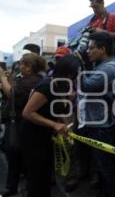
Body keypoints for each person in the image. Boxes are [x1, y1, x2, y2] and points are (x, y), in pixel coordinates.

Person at [21, 54, 81, 197]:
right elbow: (28, 112)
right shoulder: (47, 85)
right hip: (33, 135)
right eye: (77, 71)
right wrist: (54, 124)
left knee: (45, 173)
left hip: (45, 134)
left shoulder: (63, 85)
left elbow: (56, 110)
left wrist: (64, 123)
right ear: (68, 72)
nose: (79, 75)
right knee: (37, 175)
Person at [78, 32, 115, 197]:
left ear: (103, 49)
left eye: (91, 48)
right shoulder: (109, 66)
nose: (87, 52)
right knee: (105, 165)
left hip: (103, 125)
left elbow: (85, 86)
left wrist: (78, 66)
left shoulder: (109, 69)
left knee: (105, 167)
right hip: (105, 122)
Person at [0, 53, 46, 197]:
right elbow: (14, 88)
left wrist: (2, 77)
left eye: (21, 64)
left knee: (20, 156)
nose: (19, 66)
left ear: (29, 66)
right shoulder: (28, 79)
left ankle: (23, 188)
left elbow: (12, 94)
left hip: (23, 124)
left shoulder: (33, 81)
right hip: (19, 123)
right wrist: (9, 79)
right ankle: (12, 186)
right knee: (14, 155)